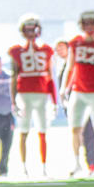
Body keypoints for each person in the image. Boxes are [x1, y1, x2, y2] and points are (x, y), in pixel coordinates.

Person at [62, 10, 94, 176]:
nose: (90, 27)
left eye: (92, 23)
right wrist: (64, 88)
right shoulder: (75, 42)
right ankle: (77, 163)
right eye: (87, 23)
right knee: (74, 128)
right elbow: (69, 67)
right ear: (82, 25)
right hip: (79, 90)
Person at [8, 14, 56, 177]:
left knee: (42, 131)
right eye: (27, 29)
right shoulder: (15, 50)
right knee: (24, 131)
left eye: (32, 28)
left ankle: (44, 166)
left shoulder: (47, 49)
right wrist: (13, 100)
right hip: (24, 94)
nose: (30, 32)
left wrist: (54, 100)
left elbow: (50, 76)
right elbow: (14, 76)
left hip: (41, 94)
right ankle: (23, 167)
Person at [55, 39, 94, 169]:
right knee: (76, 132)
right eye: (58, 49)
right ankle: (78, 163)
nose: (60, 51)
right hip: (71, 102)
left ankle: (91, 163)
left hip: (83, 99)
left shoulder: (76, 64)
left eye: (62, 47)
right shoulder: (62, 67)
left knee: (88, 133)